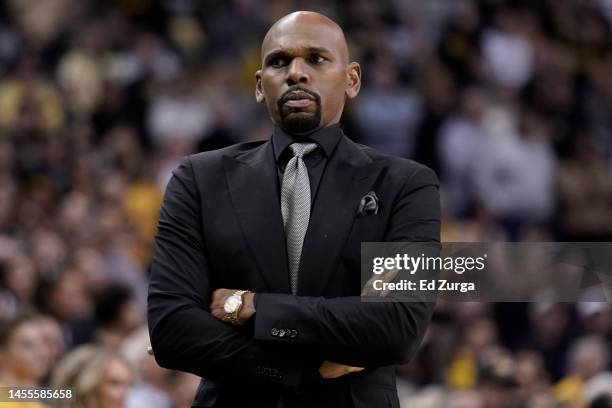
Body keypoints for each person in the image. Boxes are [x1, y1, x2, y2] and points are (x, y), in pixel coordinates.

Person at [147, 11, 440, 407]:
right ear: (258, 84)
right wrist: (297, 371)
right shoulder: (198, 178)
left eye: (316, 59)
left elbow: (399, 327)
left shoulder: (407, 184)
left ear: (352, 79)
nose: (296, 73)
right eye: (279, 61)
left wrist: (253, 307)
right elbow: (171, 328)